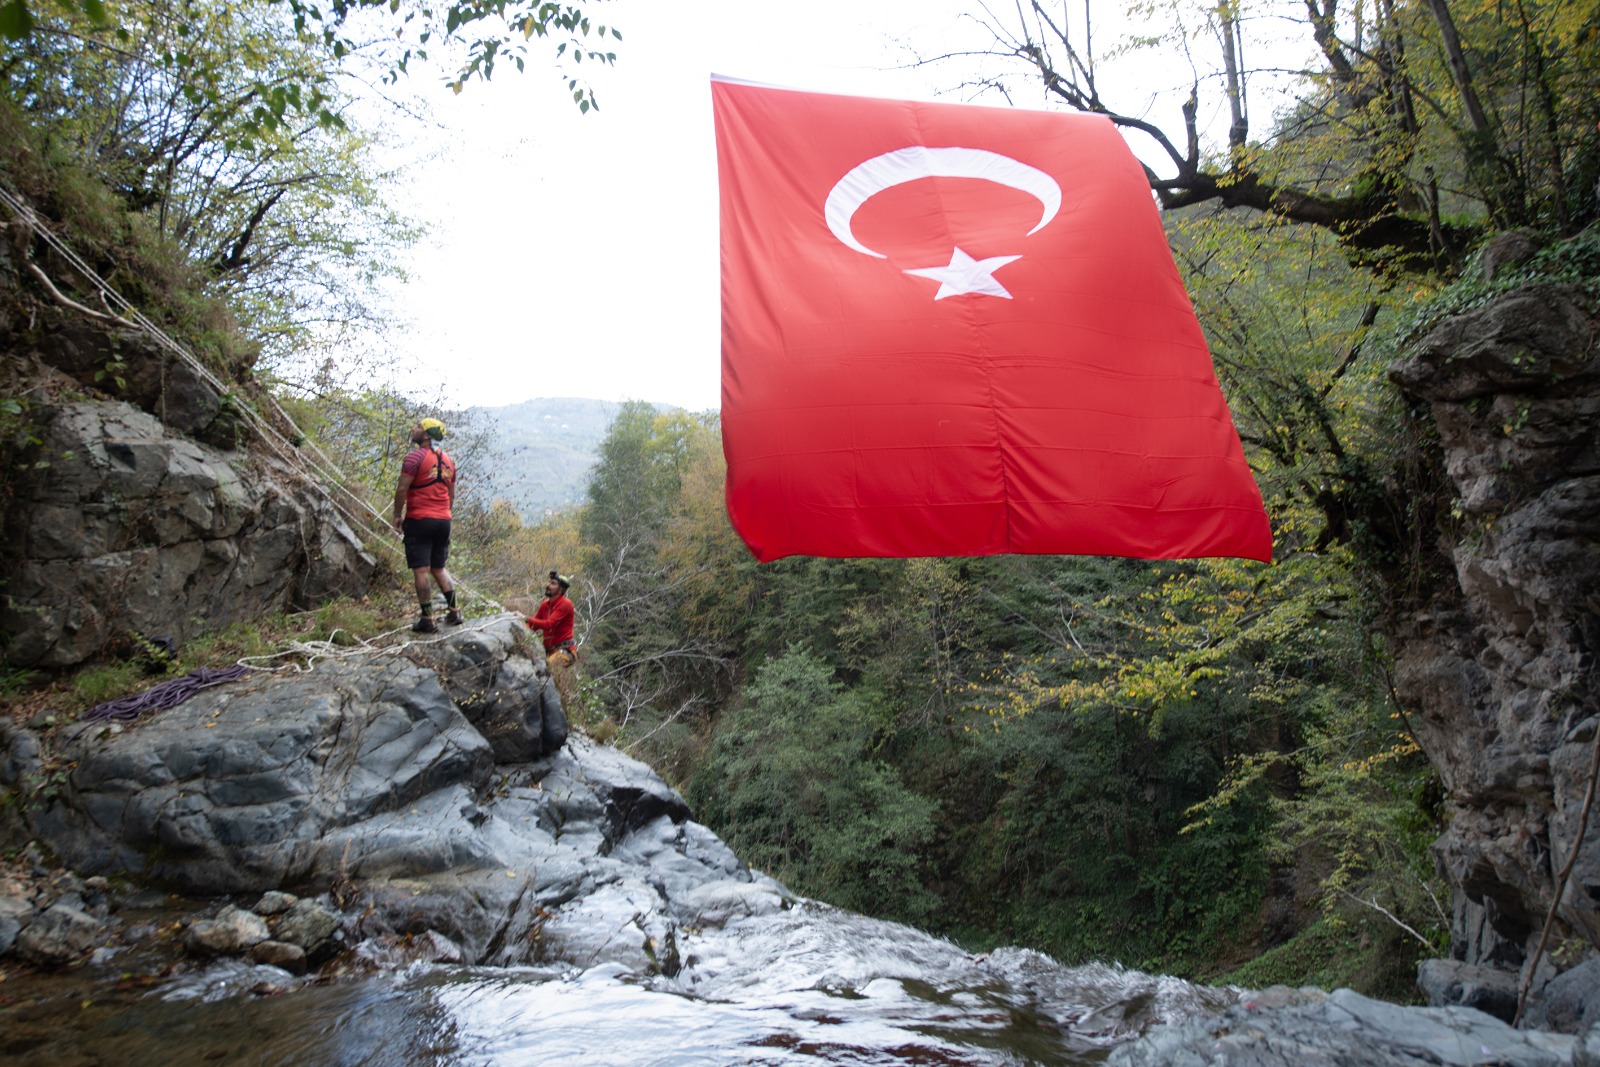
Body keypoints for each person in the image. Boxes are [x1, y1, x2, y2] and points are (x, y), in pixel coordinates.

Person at [392, 417, 460, 633]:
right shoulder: (449, 461)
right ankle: (455, 611)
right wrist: (444, 514)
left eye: (419, 427)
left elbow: (402, 489)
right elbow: (451, 494)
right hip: (443, 520)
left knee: (421, 570)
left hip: (420, 519)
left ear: (427, 435)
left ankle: (427, 619)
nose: (414, 429)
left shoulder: (414, 458)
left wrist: (396, 514)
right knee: (439, 567)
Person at [526, 570, 578, 710]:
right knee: (537, 672)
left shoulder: (565, 604)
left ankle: (554, 707)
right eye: (549, 582)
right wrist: (518, 626)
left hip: (565, 652)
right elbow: (533, 625)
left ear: (560, 590)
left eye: (553, 583)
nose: (548, 585)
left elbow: (549, 624)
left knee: (545, 671)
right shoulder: (545, 605)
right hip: (548, 652)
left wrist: (525, 618)